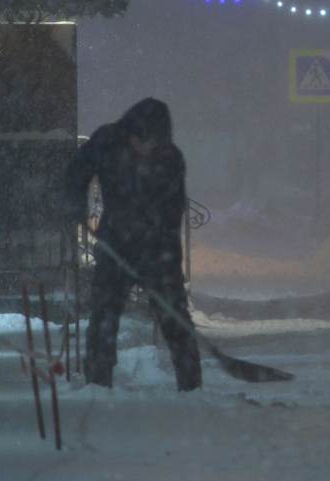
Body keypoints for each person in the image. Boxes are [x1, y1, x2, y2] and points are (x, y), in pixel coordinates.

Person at [65, 98, 202, 391]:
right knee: (104, 314)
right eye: (141, 140)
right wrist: (74, 205)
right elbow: (76, 173)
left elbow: (172, 212)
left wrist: (156, 254)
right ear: (130, 133)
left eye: (153, 143)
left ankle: (191, 386)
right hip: (115, 242)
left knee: (174, 316)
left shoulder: (170, 158)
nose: (146, 148)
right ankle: (98, 382)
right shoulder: (107, 141)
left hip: (158, 249)